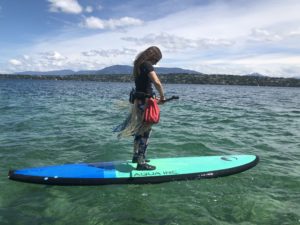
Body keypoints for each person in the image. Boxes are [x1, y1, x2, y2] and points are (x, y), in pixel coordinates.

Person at [118, 46, 165, 170]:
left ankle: (136, 156)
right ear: (153, 56)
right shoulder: (147, 65)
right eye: (156, 60)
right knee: (145, 132)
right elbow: (157, 82)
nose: (156, 63)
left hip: (138, 102)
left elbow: (143, 86)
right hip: (145, 103)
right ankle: (141, 162)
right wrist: (162, 97)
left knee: (139, 130)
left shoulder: (138, 65)